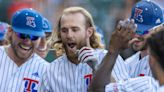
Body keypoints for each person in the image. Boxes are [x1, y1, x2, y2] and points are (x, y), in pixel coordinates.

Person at [43, 6, 133, 92]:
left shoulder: (109, 58)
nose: (69, 35)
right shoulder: (51, 70)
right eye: (64, 30)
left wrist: (97, 69)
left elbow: (120, 89)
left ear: (89, 32)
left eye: (75, 30)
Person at [88, 24, 164, 92]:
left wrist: (113, 50)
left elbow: (97, 89)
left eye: (144, 32)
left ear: (152, 60)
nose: (137, 35)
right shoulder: (130, 63)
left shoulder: (146, 85)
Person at [0, 8, 49, 92]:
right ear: (10, 31)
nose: (28, 41)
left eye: (34, 37)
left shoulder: (47, 71)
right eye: (22, 34)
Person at [125, 0, 163, 78]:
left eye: (143, 31)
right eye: (134, 29)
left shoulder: (161, 64)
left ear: (158, 30)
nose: (136, 35)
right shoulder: (128, 63)